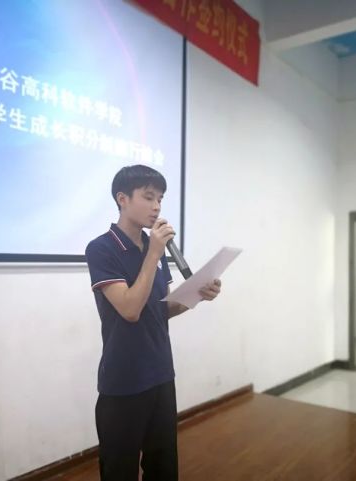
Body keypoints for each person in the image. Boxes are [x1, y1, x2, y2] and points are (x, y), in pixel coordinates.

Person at [85, 164, 222, 481]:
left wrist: (197, 295)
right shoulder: (102, 248)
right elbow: (130, 309)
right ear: (122, 199)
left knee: (163, 467)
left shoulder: (153, 248)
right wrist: (154, 254)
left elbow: (160, 310)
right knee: (120, 470)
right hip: (124, 379)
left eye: (160, 198)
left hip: (161, 372)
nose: (157, 206)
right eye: (148, 197)